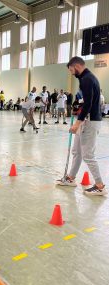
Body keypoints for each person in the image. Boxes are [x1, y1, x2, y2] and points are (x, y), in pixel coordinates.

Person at [56, 56, 107, 196]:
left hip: (89, 122)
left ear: (77, 66)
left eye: (71, 70)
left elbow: (89, 104)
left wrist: (77, 123)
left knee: (88, 154)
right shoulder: (85, 79)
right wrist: (77, 108)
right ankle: (71, 178)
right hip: (85, 119)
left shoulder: (87, 79)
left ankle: (100, 185)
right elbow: (85, 102)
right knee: (76, 151)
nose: (71, 73)